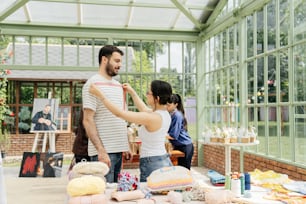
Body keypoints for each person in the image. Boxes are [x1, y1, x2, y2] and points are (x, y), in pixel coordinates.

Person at [89, 79, 173, 182]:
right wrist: (132, 92)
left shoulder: (152, 117)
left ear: (157, 98)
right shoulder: (164, 114)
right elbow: (143, 108)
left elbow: (119, 113)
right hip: (162, 159)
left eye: (148, 93)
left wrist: (100, 95)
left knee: (151, 195)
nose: (146, 95)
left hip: (152, 163)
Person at [82, 45, 131, 183]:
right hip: (103, 153)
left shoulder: (118, 85)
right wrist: (101, 151)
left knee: (115, 193)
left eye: (120, 61)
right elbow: (88, 120)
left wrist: (126, 145)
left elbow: (122, 117)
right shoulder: (92, 84)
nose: (119, 65)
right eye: (116, 61)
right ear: (104, 59)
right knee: (103, 194)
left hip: (119, 151)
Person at [166, 94, 194, 170]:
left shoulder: (177, 115)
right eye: (166, 104)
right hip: (180, 146)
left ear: (176, 104)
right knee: (179, 172)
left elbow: (173, 135)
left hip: (185, 146)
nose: (166, 107)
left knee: (184, 172)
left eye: (169, 105)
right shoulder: (171, 115)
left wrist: (160, 134)